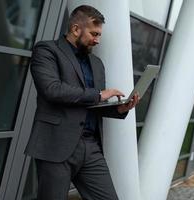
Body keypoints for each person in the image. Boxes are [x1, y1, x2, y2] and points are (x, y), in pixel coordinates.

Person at [25, 5, 140, 200]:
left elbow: (92, 104)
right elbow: (52, 90)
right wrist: (99, 95)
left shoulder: (97, 64)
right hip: (56, 143)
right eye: (94, 34)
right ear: (76, 29)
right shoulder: (46, 50)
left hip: (91, 147)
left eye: (99, 35)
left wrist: (119, 109)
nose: (97, 40)